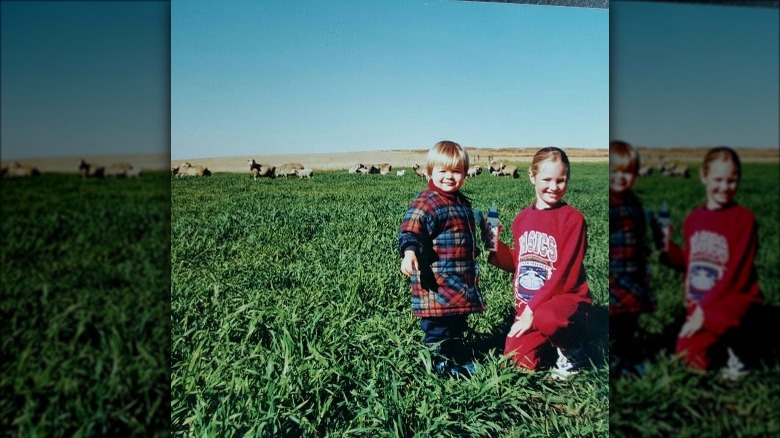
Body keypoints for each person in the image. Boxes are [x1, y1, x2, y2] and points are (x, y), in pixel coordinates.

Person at [487, 147, 592, 379]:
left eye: (561, 180)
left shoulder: (573, 219)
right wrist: (492, 247)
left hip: (564, 303)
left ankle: (572, 350)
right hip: (529, 308)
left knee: (549, 317)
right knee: (516, 364)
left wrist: (532, 310)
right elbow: (518, 262)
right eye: (547, 179)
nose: (554, 187)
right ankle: (546, 342)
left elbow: (566, 274)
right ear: (532, 177)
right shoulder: (522, 219)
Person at [659, 146, 762, 378]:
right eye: (718, 179)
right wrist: (667, 249)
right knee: (686, 361)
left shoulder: (744, 220)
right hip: (700, 304)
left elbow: (738, 273)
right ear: (704, 177)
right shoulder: (694, 219)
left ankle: (739, 353)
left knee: (721, 319)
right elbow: (689, 261)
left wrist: (704, 311)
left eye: (732, 180)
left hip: (734, 300)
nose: (725, 187)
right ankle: (715, 345)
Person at [398, 141, 489, 376]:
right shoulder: (428, 201)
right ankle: (437, 366)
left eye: (456, 171)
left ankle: (455, 361)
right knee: (437, 328)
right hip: (436, 284)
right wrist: (409, 252)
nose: (450, 177)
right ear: (430, 173)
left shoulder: (461, 202)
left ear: (465, 174)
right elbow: (410, 229)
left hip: (459, 282)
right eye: (443, 171)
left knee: (457, 325)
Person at [609, 140, 657, 376]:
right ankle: (616, 363)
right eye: (614, 171)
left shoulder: (634, 203)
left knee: (630, 321)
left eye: (627, 172)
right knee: (616, 325)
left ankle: (626, 360)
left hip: (634, 272)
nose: (621, 177)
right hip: (614, 276)